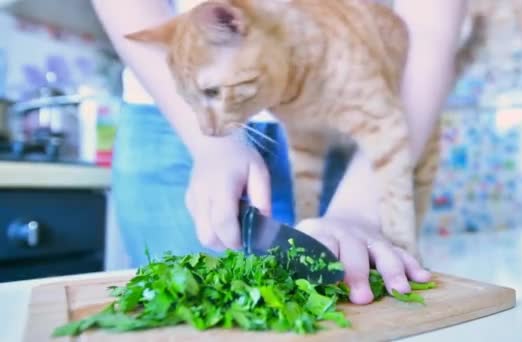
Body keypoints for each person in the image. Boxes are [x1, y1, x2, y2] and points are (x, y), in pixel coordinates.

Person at [92, 0, 468, 305]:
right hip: (172, 119)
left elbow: (426, 30)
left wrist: (360, 210)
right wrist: (210, 144)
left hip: (347, 128)